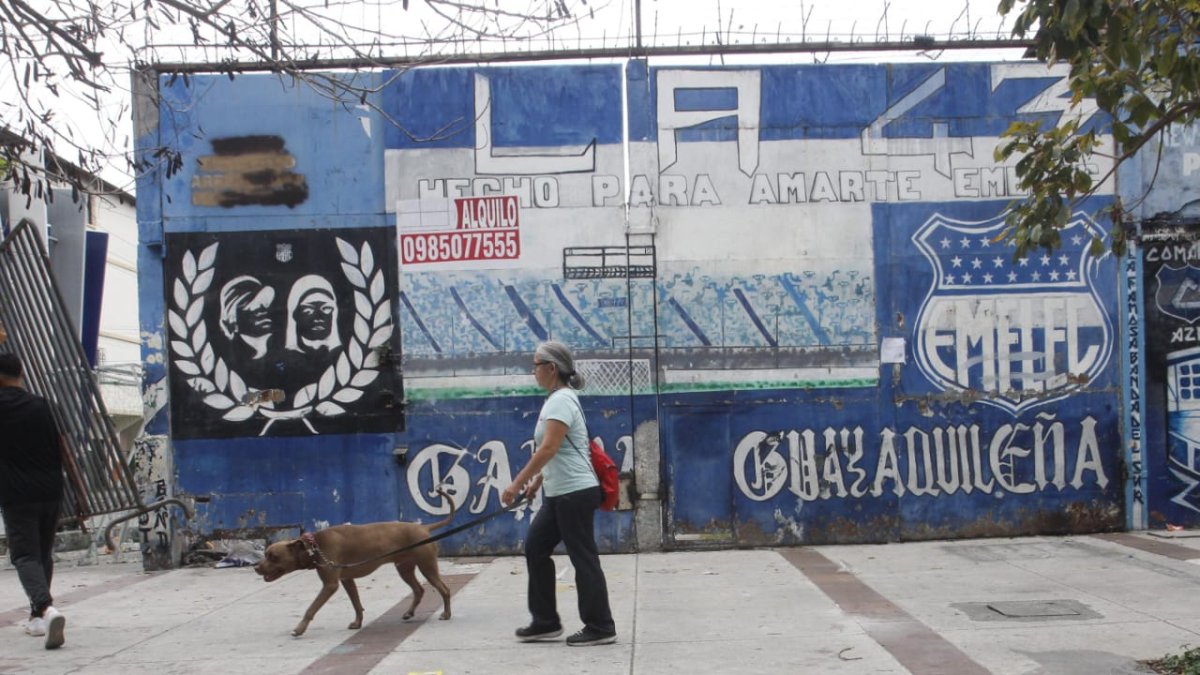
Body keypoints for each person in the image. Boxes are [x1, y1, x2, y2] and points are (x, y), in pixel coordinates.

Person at [501, 341, 616, 647]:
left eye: (536, 365)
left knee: (583, 557)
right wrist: (538, 481)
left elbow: (549, 447)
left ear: (551, 368)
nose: (533, 371)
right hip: (559, 491)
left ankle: (601, 626)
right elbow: (558, 451)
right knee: (536, 547)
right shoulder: (557, 399)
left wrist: (516, 483)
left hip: (574, 492)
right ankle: (545, 622)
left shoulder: (561, 400)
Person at [0, 353, 67, 649]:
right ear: (21, 372)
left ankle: (45, 607)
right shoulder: (45, 406)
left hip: (17, 494)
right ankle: (38, 619)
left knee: (24, 556)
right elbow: (64, 450)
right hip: (51, 490)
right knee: (42, 554)